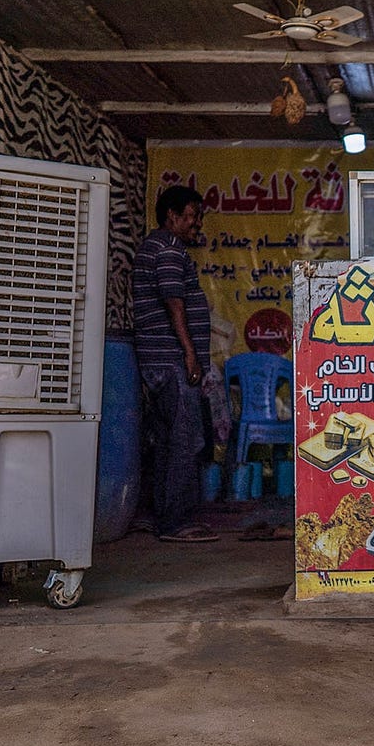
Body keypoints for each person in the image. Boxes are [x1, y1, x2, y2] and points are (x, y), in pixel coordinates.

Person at [132, 185, 218, 543]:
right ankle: (175, 522)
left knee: (167, 440)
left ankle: (161, 516)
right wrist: (189, 353)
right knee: (184, 441)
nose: (197, 223)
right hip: (170, 361)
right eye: (191, 215)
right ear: (171, 215)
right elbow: (174, 304)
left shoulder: (155, 247)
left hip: (161, 360)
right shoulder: (167, 250)